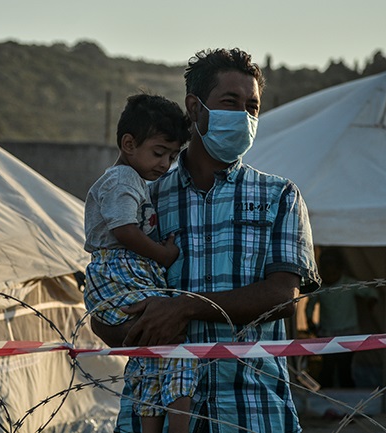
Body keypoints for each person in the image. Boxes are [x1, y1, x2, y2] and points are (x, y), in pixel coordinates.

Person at [91, 48, 321, 433]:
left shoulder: (280, 197)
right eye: (230, 103)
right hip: (155, 413)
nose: (244, 117)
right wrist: (130, 328)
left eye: (252, 107)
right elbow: (107, 295)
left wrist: (184, 309)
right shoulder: (143, 199)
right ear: (194, 109)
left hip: (251, 409)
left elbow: (283, 296)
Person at [83, 93, 194, 433]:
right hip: (119, 273)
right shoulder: (122, 180)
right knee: (175, 349)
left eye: (173, 156)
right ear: (128, 144)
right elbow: (124, 230)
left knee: (151, 353)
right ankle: (179, 426)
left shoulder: (134, 181)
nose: (165, 164)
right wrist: (163, 254)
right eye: (159, 152)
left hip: (125, 273)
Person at [305, 248, 377, 388]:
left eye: (333, 271)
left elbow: (371, 292)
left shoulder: (349, 284)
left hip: (349, 333)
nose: (329, 275)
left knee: (345, 368)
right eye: (326, 271)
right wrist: (309, 321)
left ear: (340, 269)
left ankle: (348, 398)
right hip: (327, 333)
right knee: (328, 368)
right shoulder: (320, 287)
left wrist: (372, 301)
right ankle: (326, 399)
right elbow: (309, 306)